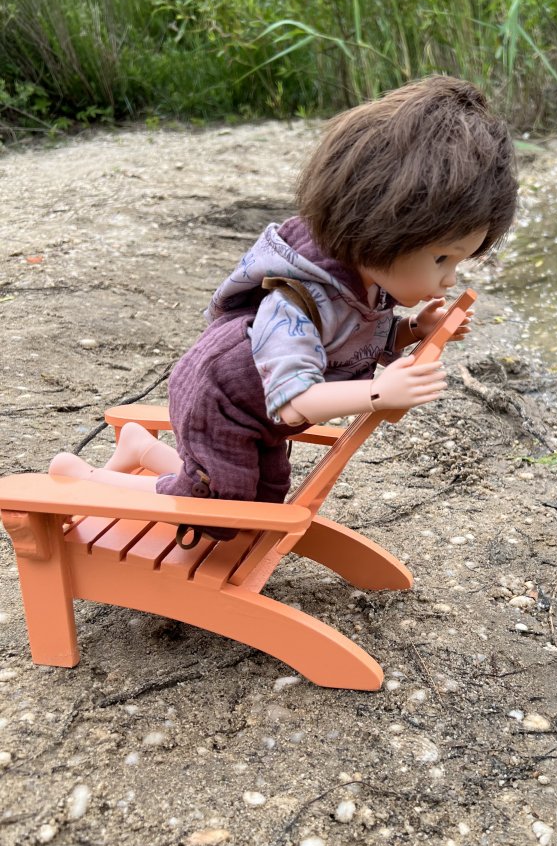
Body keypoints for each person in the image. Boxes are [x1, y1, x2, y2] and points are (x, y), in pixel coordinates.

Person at [49, 76, 518, 539]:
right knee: (218, 513)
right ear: (380, 229)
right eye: (441, 258)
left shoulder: (364, 286)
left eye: (458, 261)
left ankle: (142, 447)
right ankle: (82, 480)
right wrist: (378, 392)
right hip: (223, 402)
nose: (450, 278)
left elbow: (349, 343)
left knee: (264, 499)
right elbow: (296, 404)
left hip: (259, 412)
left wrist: (413, 328)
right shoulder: (291, 304)